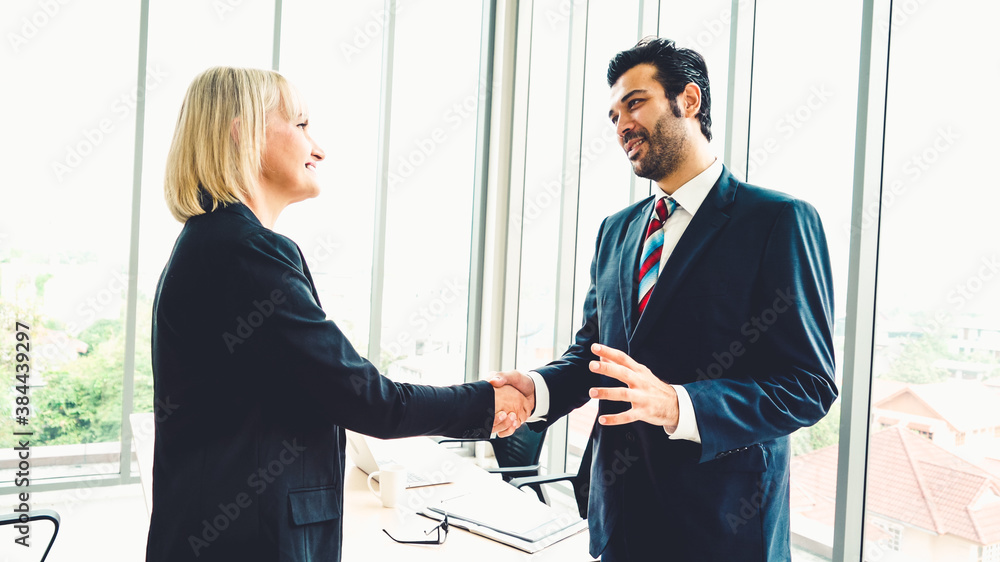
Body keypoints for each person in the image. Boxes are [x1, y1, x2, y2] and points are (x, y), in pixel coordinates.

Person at [145, 67, 531, 562]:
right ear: (242, 131)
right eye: (301, 125)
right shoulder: (245, 253)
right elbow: (368, 400)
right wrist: (488, 400)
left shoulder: (216, 244)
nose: (319, 149)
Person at [491, 37, 838, 561]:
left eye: (636, 103)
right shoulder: (617, 231)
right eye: (613, 116)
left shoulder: (776, 221)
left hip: (723, 530)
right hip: (619, 525)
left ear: (689, 101)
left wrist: (680, 404)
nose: (622, 125)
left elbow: (809, 386)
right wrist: (536, 390)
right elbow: (596, 359)